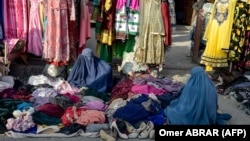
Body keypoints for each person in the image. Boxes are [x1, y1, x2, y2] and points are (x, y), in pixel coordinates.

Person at [163, 66, 230, 125]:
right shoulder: (211, 86)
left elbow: (184, 103)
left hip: (189, 113)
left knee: (174, 108)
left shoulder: (190, 86)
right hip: (209, 114)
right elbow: (214, 104)